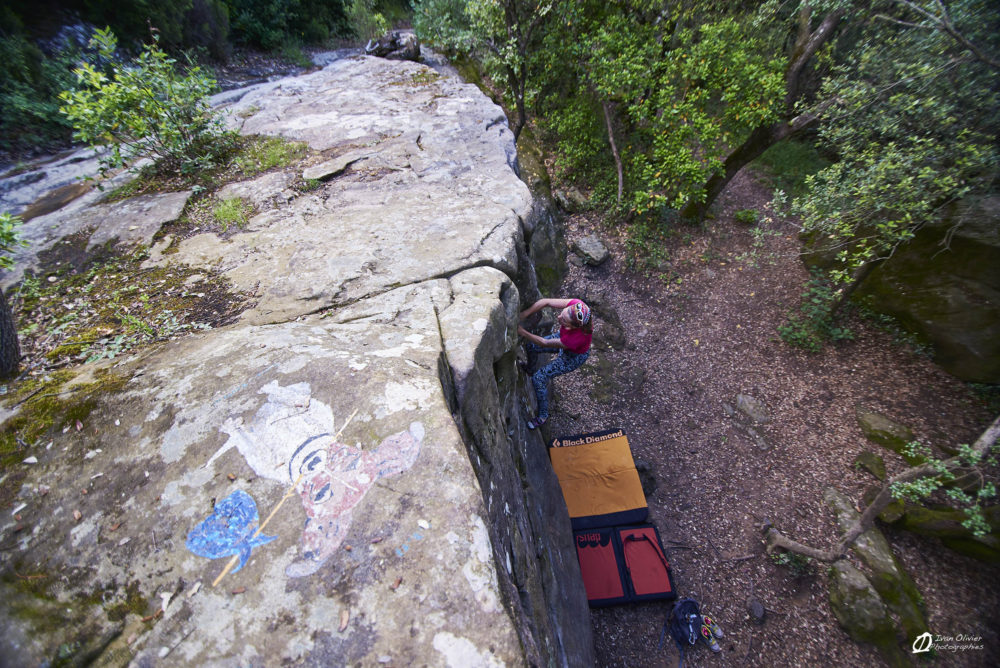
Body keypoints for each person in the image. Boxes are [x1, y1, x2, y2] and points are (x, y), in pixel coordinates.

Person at [517, 297, 594, 429]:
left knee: (539, 378)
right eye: (562, 313)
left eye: (563, 321)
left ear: (570, 327)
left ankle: (542, 416)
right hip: (564, 339)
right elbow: (545, 301)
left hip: (573, 357)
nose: (558, 317)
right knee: (531, 347)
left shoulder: (574, 339)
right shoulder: (577, 306)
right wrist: (523, 314)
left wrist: (522, 331)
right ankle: (530, 369)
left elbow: (544, 343)